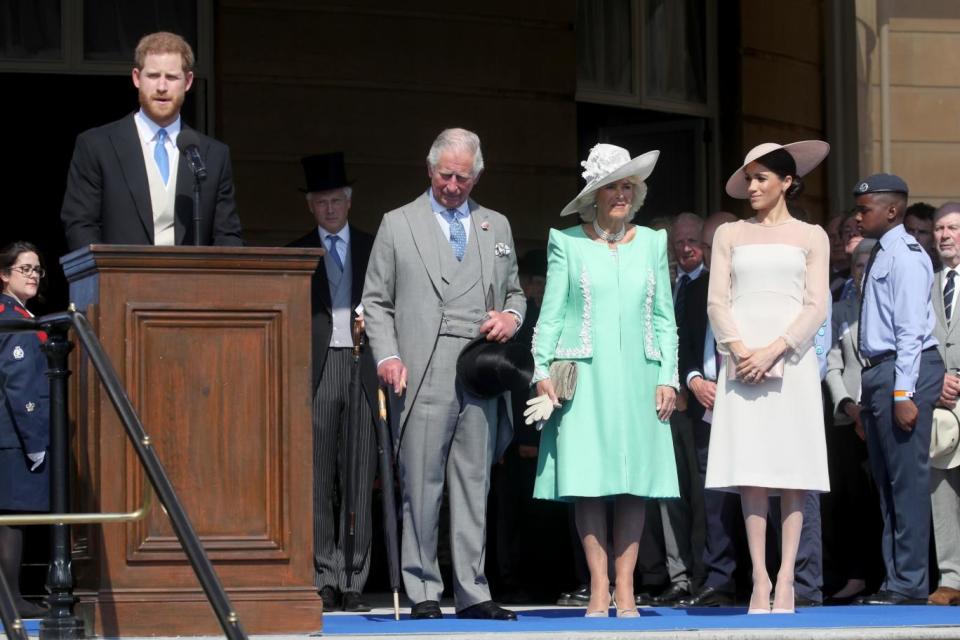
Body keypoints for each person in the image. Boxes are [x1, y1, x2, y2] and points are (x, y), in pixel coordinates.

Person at [362, 128, 525, 621]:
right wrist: (387, 355)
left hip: (480, 370)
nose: (454, 185)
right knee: (423, 485)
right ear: (429, 169)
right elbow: (376, 301)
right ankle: (424, 588)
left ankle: (473, 590)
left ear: (478, 175)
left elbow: (516, 292)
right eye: (445, 174)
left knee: (474, 483)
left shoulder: (495, 226)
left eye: (464, 177)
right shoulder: (397, 224)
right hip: (421, 369)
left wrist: (511, 318)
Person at [531, 143, 680, 618]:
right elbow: (550, 316)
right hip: (585, 377)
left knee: (636, 482)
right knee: (590, 481)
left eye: (627, 186)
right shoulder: (566, 242)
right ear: (593, 195)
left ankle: (627, 586)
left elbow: (664, 318)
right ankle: (598, 586)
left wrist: (668, 377)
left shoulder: (655, 242)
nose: (620, 194)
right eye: (611, 186)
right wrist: (539, 372)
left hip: (641, 376)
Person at [706, 141, 831, 614]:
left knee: (792, 471)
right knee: (752, 470)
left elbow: (815, 304)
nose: (753, 187)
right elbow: (718, 300)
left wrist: (776, 350)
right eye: (749, 178)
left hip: (792, 360)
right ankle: (759, 577)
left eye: (761, 178)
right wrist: (740, 352)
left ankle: (786, 580)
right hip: (740, 361)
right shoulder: (730, 234)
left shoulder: (812, 235)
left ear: (786, 181)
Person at [287, 152, 377, 613]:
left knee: (360, 472)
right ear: (310, 206)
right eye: (320, 201)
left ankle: (354, 576)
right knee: (318, 475)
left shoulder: (373, 247)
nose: (329, 208)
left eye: (336, 200)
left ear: (349, 201)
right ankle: (323, 574)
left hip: (362, 366)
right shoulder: (298, 251)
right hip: (319, 369)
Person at [60, 31, 243, 251]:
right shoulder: (97, 146)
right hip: (119, 281)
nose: (162, 87)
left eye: (172, 77)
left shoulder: (213, 155)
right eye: (153, 76)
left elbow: (227, 236)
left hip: (192, 283)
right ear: (137, 78)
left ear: (188, 81)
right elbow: (80, 226)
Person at [853, 173, 944, 605]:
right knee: (887, 485)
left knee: (906, 481)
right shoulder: (881, 252)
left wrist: (903, 394)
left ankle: (909, 582)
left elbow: (909, 331)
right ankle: (896, 579)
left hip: (902, 370)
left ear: (892, 210)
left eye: (864, 207)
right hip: (880, 371)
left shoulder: (905, 255)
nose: (858, 215)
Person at [675, 211, 741, 609]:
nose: (714, 253)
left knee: (757, 492)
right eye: (709, 246)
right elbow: (685, 343)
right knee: (711, 497)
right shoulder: (697, 290)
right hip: (707, 400)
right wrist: (695, 379)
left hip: (751, 396)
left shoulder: (753, 287)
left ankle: (760, 577)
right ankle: (719, 579)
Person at [822, 238, 882, 603]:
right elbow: (832, 363)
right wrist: (848, 405)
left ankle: (889, 577)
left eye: (869, 266)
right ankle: (857, 576)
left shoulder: (893, 308)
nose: (863, 272)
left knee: (885, 500)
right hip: (849, 419)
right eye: (858, 266)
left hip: (887, 416)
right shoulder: (841, 309)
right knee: (850, 501)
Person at [652, 212, 707, 605]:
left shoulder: (711, 284)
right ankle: (679, 574)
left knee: (702, 494)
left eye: (692, 241)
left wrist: (689, 381)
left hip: (700, 401)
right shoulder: (666, 285)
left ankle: (703, 576)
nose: (685, 248)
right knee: (669, 493)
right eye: (678, 243)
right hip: (666, 403)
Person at [0, 241, 50, 619]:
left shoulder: (15, 314)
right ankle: (10, 598)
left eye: (37, 269)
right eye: (25, 269)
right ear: (4, 274)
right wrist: (36, 441)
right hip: (14, 435)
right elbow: (21, 386)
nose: (33, 275)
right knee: (13, 517)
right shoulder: (12, 318)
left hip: (11, 434)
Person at [927, 201, 960, 605]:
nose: (945, 235)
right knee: (941, 492)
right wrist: (937, 381)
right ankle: (951, 577)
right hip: (939, 405)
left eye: (953, 228)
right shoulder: (926, 283)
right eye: (939, 229)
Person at [905, 201, 937, 268]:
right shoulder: (888, 261)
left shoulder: (945, 271)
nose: (915, 237)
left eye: (922, 232)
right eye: (910, 230)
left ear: (934, 239)